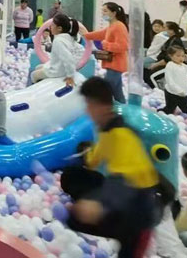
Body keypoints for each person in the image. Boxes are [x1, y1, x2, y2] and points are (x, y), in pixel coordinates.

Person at [61, 77, 160, 258]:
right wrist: (86, 154)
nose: (87, 111)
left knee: (78, 218)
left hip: (138, 209)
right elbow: (94, 158)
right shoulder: (106, 131)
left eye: (90, 105)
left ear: (103, 107)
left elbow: (129, 179)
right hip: (123, 195)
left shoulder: (122, 136)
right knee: (71, 179)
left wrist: (100, 204)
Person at [83, 2, 130, 103]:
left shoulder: (119, 26)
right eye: (102, 11)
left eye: (105, 11)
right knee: (117, 93)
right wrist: (85, 34)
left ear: (114, 13)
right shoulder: (112, 26)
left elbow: (123, 46)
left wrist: (105, 44)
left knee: (106, 91)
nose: (103, 13)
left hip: (116, 65)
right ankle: (123, 110)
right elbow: (100, 34)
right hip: (112, 65)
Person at [31, 13, 80, 86]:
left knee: (33, 75)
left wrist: (70, 76)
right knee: (38, 67)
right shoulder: (69, 38)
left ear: (59, 28)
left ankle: (35, 89)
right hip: (59, 67)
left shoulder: (58, 41)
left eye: (53, 25)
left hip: (57, 71)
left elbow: (68, 59)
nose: (50, 27)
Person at [159, 46, 187, 116]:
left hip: (182, 94)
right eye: (178, 56)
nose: (181, 58)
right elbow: (170, 81)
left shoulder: (183, 66)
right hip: (172, 93)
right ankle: (159, 113)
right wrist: (179, 91)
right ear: (171, 56)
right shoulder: (170, 65)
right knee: (170, 109)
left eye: (183, 56)